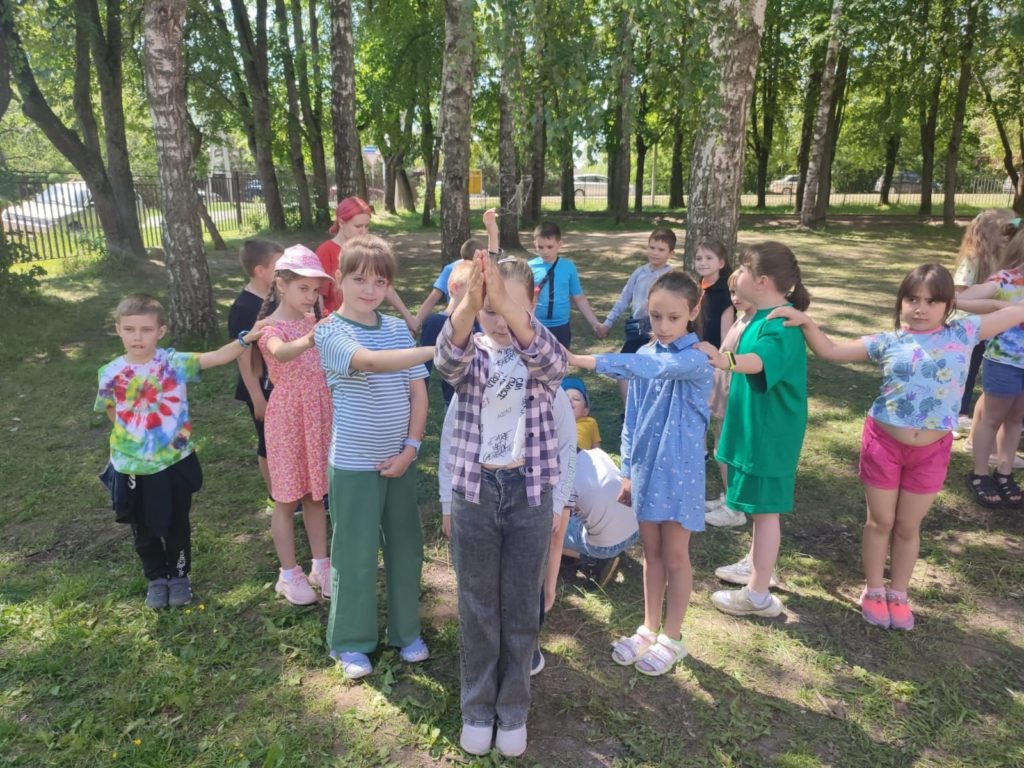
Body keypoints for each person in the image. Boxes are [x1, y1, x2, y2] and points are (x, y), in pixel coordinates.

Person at [771, 263, 1024, 630]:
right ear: (900, 302)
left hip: (931, 452)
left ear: (946, 305)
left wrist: (961, 301)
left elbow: (1014, 310)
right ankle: (874, 588)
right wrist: (806, 322)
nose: (920, 308)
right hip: (884, 444)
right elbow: (830, 350)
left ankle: (899, 592)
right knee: (881, 521)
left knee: (907, 526)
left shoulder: (965, 332)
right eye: (912, 299)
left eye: (932, 301)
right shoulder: (887, 342)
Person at [434, 253, 567, 758]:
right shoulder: (472, 351)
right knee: (477, 606)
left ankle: (513, 710)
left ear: (530, 303)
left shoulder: (541, 350)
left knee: (519, 606)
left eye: (510, 308)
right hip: (476, 492)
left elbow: (554, 365)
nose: (500, 320)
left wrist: (511, 310)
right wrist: (471, 304)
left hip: (530, 493)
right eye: (490, 309)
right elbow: (445, 362)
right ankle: (477, 708)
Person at [569, 270, 713, 676]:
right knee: (651, 555)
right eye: (655, 317)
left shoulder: (696, 358)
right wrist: (628, 472)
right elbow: (631, 421)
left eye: (673, 317)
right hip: (646, 472)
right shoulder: (646, 355)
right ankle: (648, 628)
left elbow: (654, 369)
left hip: (681, 475)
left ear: (694, 311)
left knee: (676, 556)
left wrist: (581, 359)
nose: (663, 326)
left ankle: (672, 636)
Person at [96, 294, 268, 610]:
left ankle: (178, 577)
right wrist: (135, 438)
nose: (138, 337)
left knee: (176, 524)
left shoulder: (172, 363)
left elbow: (215, 357)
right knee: (143, 529)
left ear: (160, 331)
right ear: (118, 329)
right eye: (130, 329)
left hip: (174, 461)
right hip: (131, 466)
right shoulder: (109, 372)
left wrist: (246, 339)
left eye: (146, 329)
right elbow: (111, 409)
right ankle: (156, 579)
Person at [314, 235, 435, 679]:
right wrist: (437, 348)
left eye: (380, 282)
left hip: (400, 461)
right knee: (355, 552)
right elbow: (368, 363)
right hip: (353, 465)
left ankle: (407, 634)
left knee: (406, 548)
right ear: (338, 279)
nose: (369, 290)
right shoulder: (329, 331)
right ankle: (351, 642)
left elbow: (417, 391)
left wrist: (411, 448)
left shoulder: (396, 327)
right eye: (359, 279)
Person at [696, 242, 811, 619]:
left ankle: (758, 594)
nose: (737, 277)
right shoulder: (761, 314)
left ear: (761, 281)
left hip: (769, 434)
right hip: (757, 429)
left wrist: (723, 358)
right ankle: (756, 564)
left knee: (765, 513)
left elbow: (759, 361)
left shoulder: (779, 322)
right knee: (762, 512)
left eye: (742, 270)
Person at [255, 246, 334, 605]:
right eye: (304, 288)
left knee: (315, 494)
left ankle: (322, 564)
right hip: (288, 419)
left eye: (315, 290)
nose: (311, 296)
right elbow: (281, 352)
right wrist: (312, 337)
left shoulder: (310, 322)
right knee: (287, 498)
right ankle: (289, 573)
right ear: (281, 285)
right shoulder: (269, 327)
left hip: (317, 416)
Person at [958, 222, 1024, 509]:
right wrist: (997, 308)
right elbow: (960, 298)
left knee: (1015, 421)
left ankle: (1005, 473)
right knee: (993, 418)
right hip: (1003, 363)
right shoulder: (1006, 280)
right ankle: (979, 474)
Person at [227, 239, 283, 507]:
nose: (283, 271)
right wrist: (257, 398)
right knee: (267, 443)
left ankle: (288, 489)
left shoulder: (275, 298)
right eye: (278, 266)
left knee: (282, 438)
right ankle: (275, 497)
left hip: (280, 383)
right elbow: (243, 358)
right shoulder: (243, 308)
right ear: (260, 270)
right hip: (259, 387)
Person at [951, 209, 1016, 435]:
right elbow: (958, 294)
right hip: (967, 326)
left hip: (990, 326)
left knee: (984, 370)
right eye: (1006, 231)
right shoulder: (973, 260)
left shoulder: (1006, 262)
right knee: (965, 371)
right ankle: (956, 414)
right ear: (989, 233)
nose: (1010, 236)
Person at [315, 196, 418, 333]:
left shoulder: (367, 250)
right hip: (338, 326)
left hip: (366, 323)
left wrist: (408, 316)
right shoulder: (325, 251)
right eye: (358, 226)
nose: (363, 232)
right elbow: (318, 295)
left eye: (366, 226)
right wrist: (320, 327)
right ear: (341, 222)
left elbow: (385, 286)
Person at [705, 271, 755, 528]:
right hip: (723, 392)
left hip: (734, 398)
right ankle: (729, 495)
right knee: (719, 446)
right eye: (733, 293)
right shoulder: (742, 320)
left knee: (725, 450)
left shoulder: (753, 325)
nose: (736, 298)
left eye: (741, 293)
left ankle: (735, 508)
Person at [601, 228, 676, 399]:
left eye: (661, 249)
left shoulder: (671, 276)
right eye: (652, 247)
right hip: (637, 329)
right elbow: (624, 298)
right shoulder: (639, 273)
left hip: (659, 331)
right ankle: (628, 412)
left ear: (670, 253)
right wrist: (608, 322)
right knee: (624, 368)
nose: (655, 253)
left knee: (655, 372)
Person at [561, 448, 640, 588]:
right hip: (635, 531)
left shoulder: (565, 478)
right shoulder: (598, 453)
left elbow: (559, 524)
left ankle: (591, 559)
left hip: (604, 547)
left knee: (546, 533)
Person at [415, 208, 501, 323]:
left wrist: (416, 322)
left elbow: (432, 299)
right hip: (457, 319)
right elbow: (493, 254)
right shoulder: (454, 269)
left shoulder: (453, 268)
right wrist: (492, 231)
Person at [528, 221, 604, 348]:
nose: (545, 251)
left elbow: (579, 298)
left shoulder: (568, 267)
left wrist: (595, 323)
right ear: (534, 244)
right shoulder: (529, 267)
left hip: (561, 327)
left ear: (560, 244)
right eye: (540, 247)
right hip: (536, 325)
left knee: (561, 363)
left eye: (549, 247)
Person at [420, 260, 475, 407]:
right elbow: (423, 367)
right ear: (455, 288)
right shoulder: (435, 322)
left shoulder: (479, 324)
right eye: (474, 289)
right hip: (452, 402)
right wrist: (419, 403)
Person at [694, 238, 735, 349]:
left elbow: (726, 334)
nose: (703, 263)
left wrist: (721, 358)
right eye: (698, 258)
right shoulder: (695, 287)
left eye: (709, 258)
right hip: (693, 348)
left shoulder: (725, 292)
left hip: (714, 351)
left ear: (721, 263)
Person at [561, 377, 601, 450]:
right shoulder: (555, 424)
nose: (570, 400)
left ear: (585, 411)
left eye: (576, 399)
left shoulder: (590, 422)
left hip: (582, 458)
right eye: (565, 398)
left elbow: (596, 448)